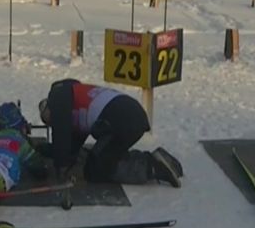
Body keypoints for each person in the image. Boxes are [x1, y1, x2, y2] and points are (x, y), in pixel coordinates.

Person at [36, 78, 183, 187]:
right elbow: (70, 145)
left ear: (48, 107)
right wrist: (49, 151)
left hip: (121, 121)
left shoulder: (59, 99)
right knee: (105, 154)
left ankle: (152, 166)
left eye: (49, 121)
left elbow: (61, 135)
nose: (53, 124)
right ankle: (159, 160)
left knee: (96, 171)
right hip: (126, 114)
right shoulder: (74, 98)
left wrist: (60, 170)